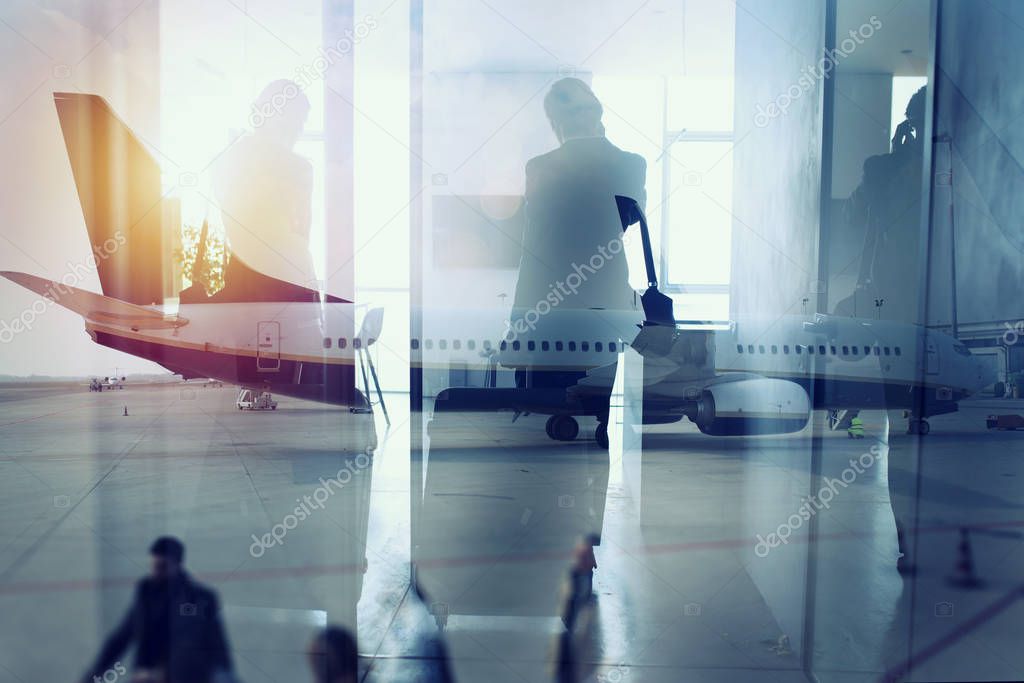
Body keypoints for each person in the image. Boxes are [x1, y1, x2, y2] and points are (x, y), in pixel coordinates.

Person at [509, 77, 646, 387]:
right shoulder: (630, 164)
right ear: (597, 114)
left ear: (556, 122)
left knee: (548, 405)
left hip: (549, 306)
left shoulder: (540, 167)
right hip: (605, 299)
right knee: (599, 403)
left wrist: (518, 321)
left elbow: (534, 247)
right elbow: (629, 220)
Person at [214, 79, 317, 300]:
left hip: (243, 277)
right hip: (287, 279)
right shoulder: (299, 169)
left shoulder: (231, 159)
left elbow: (228, 216)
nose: (299, 130)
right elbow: (302, 231)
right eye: (298, 121)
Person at [80, 536, 234, 683]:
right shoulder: (146, 595)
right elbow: (122, 637)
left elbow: (216, 640)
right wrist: (94, 675)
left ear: (177, 564)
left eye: (162, 567)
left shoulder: (202, 598)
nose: (156, 572)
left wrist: (224, 674)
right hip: (149, 677)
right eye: (153, 566)